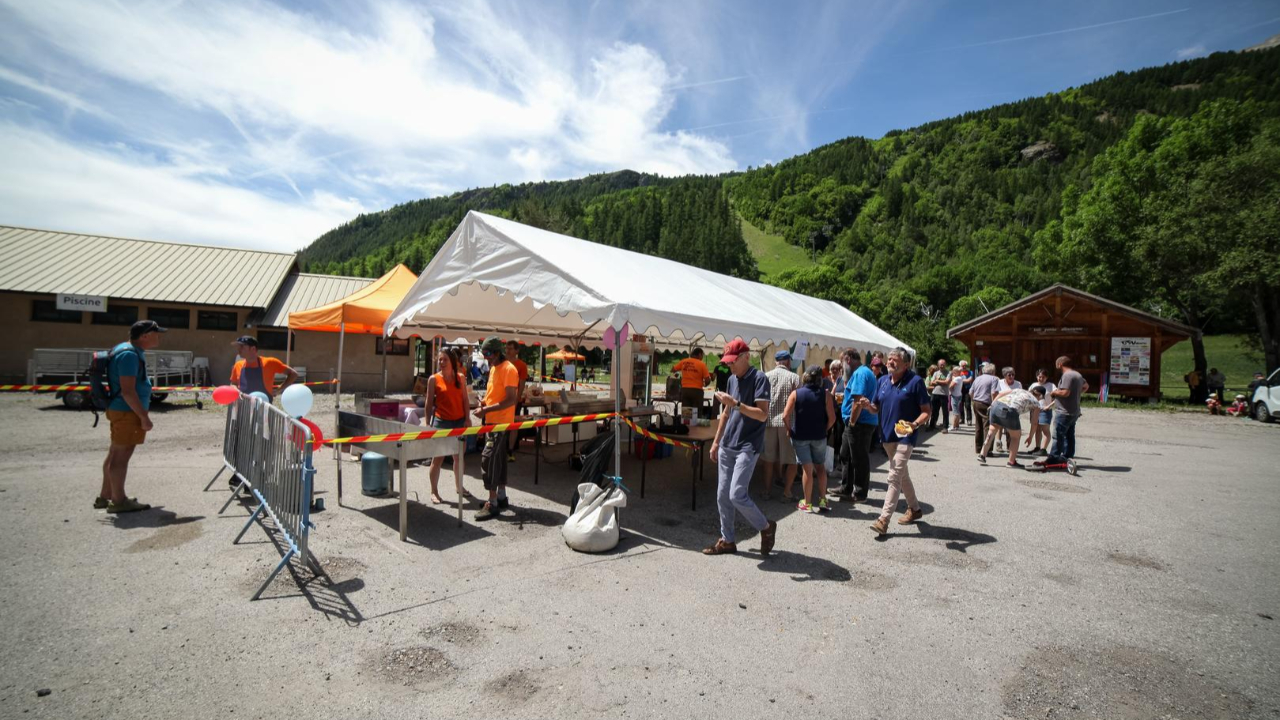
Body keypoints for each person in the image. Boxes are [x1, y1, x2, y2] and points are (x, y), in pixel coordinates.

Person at [703, 338, 777, 557]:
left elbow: (763, 414)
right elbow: (726, 413)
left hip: (748, 445)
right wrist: (716, 441)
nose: (729, 365)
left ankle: (766, 527)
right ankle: (728, 541)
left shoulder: (759, 378)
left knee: (737, 494)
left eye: (733, 361)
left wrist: (735, 404)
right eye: (727, 362)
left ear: (746, 357)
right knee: (722, 496)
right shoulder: (732, 379)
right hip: (728, 444)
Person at [97, 320, 167, 513]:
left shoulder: (126, 349)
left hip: (122, 410)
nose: (159, 336)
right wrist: (143, 417)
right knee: (120, 457)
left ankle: (106, 495)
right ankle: (119, 501)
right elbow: (128, 391)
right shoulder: (129, 355)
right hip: (127, 412)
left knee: (114, 453)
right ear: (144, 336)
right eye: (156, 333)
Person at [866, 348, 931, 535]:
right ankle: (915, 509)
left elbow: (926, 411)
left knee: (894, 476)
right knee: (902, 475)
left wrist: (915, 424)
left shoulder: (915, 382)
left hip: (906, 436)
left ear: (906, 364)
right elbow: (876, 407)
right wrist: (867, 406)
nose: (890, 362)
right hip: (887, 436)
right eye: (889, 359)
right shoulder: (883, 381)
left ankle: (883, 520)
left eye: (895, 360)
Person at [421, 347, 473, 505]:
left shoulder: (461, 378)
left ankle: (459, 487)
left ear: (452, 361)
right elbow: (428, 405)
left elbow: (465, 400)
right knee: (437, 459)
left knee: (459, 457)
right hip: (441, 423)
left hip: (459, 422)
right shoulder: (433, 379)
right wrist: (428, 425)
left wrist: (467, 418)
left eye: (444, 359)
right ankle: (434, 491)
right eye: (440, 359)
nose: (441, 362)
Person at [475, 338, 519, 520]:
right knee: (498, 458)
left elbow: (511, 399)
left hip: (500, 423)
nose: (486, 358)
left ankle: (492, 502)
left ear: (496, 352)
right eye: (484, 355)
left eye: (488, 354)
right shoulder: (494, 368)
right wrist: (484, 402)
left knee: (489, 458)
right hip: (492, 421)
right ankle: (501, 496)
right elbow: (493, 394)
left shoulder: (509, 369)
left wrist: (486, 409)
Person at [782, 366, 836, 513]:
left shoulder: (796, 393)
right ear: (820, 379)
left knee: (807, 469)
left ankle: (807, 503)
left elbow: (785, 416)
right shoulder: (826, 395)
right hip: (819, 436)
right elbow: (832, 418)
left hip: (800, 436)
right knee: (820, 467)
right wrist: (825, 429)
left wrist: (789, 430)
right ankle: (823, 500)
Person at [834, 348, 878, 504]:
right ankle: (845, 487)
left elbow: (858, 401)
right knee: (845, 454)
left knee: (859, 458)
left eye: (841, 362)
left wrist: (852, 422)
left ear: (848, 359)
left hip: (859, 423)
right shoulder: (862, 372)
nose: (841, 366)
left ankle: (860, 493)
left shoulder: (860, 373)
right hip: (857, 422)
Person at [762, 349, 800, 499]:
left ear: (776, 362)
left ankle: (766, 491)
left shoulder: (765, 376)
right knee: (791, 459)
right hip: (787, 423)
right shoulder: (794, 378)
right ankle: (787, 492)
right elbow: (799, 401)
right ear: (788, 362)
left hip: (769, 421)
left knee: (768, 459)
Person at [977, 386, 1044, 468]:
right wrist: (1030, 436)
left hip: (996, 405)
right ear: (1041, 397)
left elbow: (1001, 393)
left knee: (992, 431)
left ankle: (982, 455)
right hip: (1010, 410)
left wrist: (992, 405)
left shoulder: (1019, 390)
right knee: (1015, 437)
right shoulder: (1036, 403)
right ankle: (1011, 462)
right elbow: (1034, 423)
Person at [229, 335, 297, 399]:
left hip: (264, 408)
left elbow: (293, 374)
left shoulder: (270, 362)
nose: (238, 349)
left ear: (253, 349)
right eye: (238, 347)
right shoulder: (237, 365)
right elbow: (233, 384)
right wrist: (236, 390)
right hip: (244, 407)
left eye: (242, 346)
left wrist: (279, 390)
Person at [1049, 356, 1087, 461]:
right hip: (1074, 410)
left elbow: (1065, 392)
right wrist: (1077, 394)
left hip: (1064, 411)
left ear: (1060, 364)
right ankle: (1067, 456)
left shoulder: (1067, 375)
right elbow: (1086, 386)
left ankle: (1054, 457)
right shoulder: (1077, 375)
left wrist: (1054, 392)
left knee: (1058, 435)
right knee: (1069, 435)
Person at [504, 341, 529, 459]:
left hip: (514, 400)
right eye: (506, 348)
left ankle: (510, 450)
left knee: (513, 425)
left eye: (510, 349)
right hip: (501, 400)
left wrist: (517, 398)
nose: (507, 351)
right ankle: (501, 448)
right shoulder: (501, 363)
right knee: (501, 424)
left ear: (516, 351)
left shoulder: (521, 365)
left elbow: (522, 383)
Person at [672, 348, 712, 418]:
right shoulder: (701, 364)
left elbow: (673, 369)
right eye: (702, 355)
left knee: (687, 414)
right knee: (696, 415)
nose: (702, 357)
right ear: (699, 354)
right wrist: (706, 384)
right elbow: (707, 380)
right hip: (697, 391)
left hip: (685, 390)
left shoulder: (684, 361)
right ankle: (695, 428)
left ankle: (687, 428)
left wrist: (677, 374)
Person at [970, 363, 1000, 455]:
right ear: (993, 371)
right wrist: (993, 404)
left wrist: (973, 401)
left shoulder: (978, 378)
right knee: (988, 427)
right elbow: (993, 393)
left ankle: (978, 448)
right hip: (986, 403)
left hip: (976, 402)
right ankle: (988, 450)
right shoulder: (994, 379)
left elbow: (971, 392)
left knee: (978, 426)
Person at [1027, 368, 1057, 455]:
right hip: (1035, 409)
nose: (1041, 379)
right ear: (1037, 377)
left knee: (1045, 430)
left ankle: (1044, 449)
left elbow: (1057, 397)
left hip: (1045, 410)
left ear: (1046, 377)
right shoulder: (1033, 385)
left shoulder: (1051, 385)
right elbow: (1028, 395)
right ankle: (1037, 447)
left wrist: (1049, 406)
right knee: (1037, 429)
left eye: (1043, 377)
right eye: (1039, 377)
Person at [927, 361, 949, 432]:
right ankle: (932, 426)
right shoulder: (936, 373)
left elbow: (946, 382)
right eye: (940, 365)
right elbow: (931, 382)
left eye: (943, 364)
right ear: (938, 365)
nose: (942, 366)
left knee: (945, 412)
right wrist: (940, 381)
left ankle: (945, 427)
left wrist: (937, 381)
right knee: (934, 411)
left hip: (944, 394)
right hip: (935, 393)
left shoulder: (948, 373)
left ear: (945, 365)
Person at [947, 365, 965, 431]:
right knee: (957, 411)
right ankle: (957, 426)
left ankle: (953, 426)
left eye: (954, 371)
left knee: (955, 412)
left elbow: (950, 386)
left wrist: (950, 390)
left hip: (955, 396)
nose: (953, 373)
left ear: (957, 372)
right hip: (959, 395)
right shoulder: (960, 377)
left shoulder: (957, 378)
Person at [958, 360, 974, 425]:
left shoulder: (970, 372)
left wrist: (961, 380)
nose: (964, 367)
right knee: (960, 405)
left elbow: (969, 380)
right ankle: (962, 419)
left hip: (967, 390)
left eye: (965, 365)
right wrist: (964, 380)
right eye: (963, 365)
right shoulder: (958, 372)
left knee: (967, 405)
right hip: (959, 390)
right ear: (960, 366)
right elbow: (954, 379)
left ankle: (969, 419)